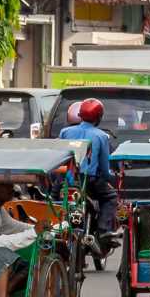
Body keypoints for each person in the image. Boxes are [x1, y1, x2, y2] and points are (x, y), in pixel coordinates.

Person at [59, 98, 118, 238]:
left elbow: (59, 159)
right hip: (90, 182)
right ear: (99, 117)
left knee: (56, 199)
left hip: (67, 181)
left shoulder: (65, 132)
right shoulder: (101, 136)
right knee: (111, 197)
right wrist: (111, 179)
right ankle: (104, 230)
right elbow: (104, 168)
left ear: (80, 115)